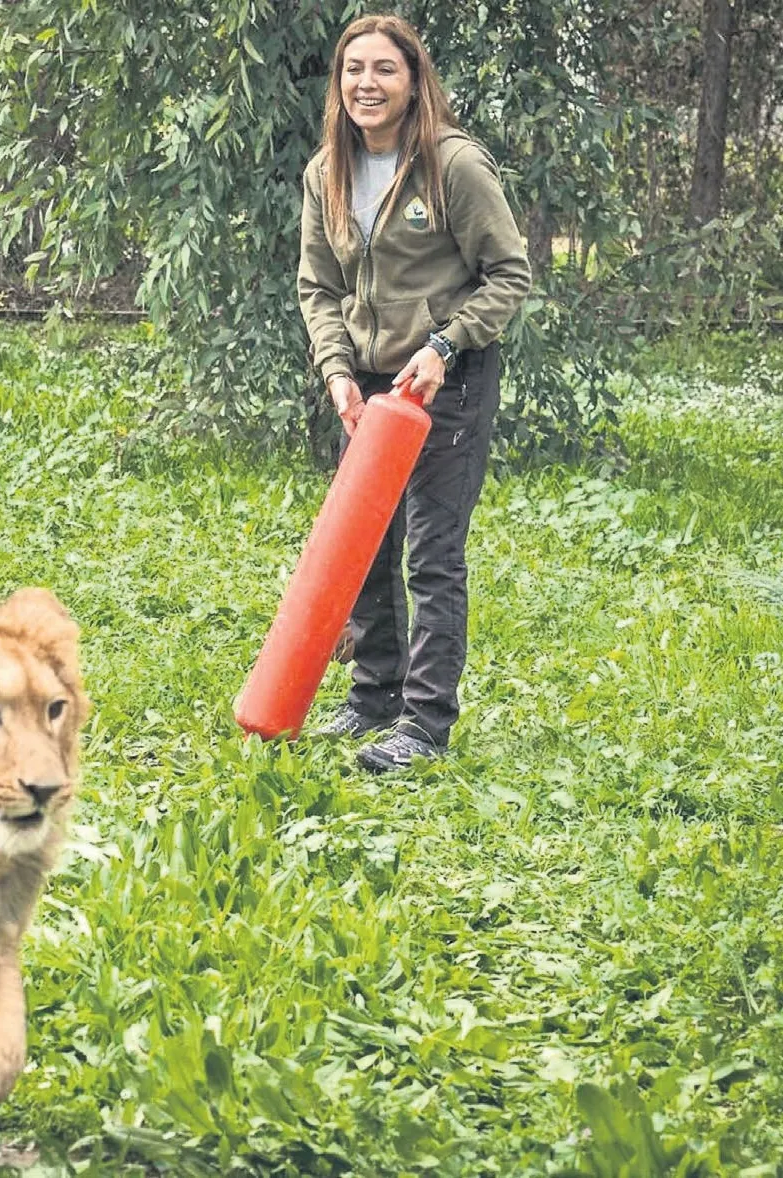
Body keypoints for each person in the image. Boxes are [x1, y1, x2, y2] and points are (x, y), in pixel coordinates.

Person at [298, 14, 531, 771]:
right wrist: (337, 371)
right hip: (365, 387)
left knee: (431, 555)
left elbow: (509, 275)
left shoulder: (452, 166)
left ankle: (425, 726)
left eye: (385, 70)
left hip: (444, 384)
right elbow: (319, 287)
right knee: (363, 548)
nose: (367, 83)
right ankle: (373, 697)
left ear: (413, 81)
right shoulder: (324, 171)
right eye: (354, 69)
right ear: (339, 85)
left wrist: (444, 346)